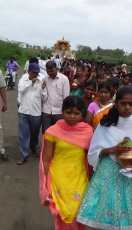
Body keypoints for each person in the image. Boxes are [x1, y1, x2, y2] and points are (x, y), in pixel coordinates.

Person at [77, 86, 132, 230]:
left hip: (129, 175)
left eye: (131, 104)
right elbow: (94, 151)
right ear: (116, 104)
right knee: (106, 215)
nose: (127, 107)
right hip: (108, 172)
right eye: (123, 103)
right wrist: (113, 150)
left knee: (123, 215)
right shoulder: (105, 123)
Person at [39, 96, 93, 230]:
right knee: (63, 214)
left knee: (78, 213)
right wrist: (46, 185)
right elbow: (46, 160)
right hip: (58, 179)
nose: (72, 116)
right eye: (68, 112)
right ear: (62, 112)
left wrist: (92, 181)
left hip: (79, 179)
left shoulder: (87, 132)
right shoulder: (53, 132)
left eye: (76, 113)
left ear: (82, 114)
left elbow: (91, 159)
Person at [16, 63, 47, 165]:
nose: (35, 75)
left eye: (37, 73)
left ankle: (33, 147)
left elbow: (44, 98)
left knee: (34, 133)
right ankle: (24, 155)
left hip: (36, 112)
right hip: (23, 111)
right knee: (23, 134)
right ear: (29, 71)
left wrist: (43, 88)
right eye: (33, 72)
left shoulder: (41, 80)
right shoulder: (23, 79)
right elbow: (20, 90)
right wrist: (30, 82)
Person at [41, 61, 70, 134]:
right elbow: (42, 96)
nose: (50, 73)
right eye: (48, 71)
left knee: (58, 133)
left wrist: (65, 112)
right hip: (46, 111)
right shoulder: (44, 80)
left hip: (59, 111)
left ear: (56, 69)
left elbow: (66, 97)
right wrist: (42, 88)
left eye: (52, 71)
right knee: (46, 133)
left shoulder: (64, 79)